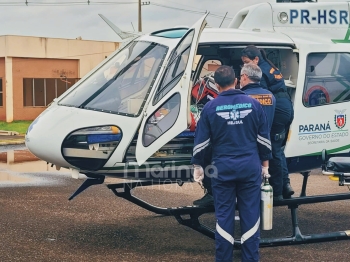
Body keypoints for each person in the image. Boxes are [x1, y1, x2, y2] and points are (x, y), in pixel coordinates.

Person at [191, 65, 271, 262]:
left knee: (224, 217)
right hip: (250, 168)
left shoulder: (210, 108)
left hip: (222, 169)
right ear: (236, 81)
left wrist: (198, 166)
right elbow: (264, 140)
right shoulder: (253, 105)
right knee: (251, 217)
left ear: (217, 85)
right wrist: (265, 166)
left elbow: (201, 142)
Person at [241, 45, 294, 200]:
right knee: (278, 149)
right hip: (285, 106)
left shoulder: (261, 72)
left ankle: (276, 192)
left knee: (272, 150)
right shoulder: (269, 66)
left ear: (255, 59)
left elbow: (258, 95)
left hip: (278, 109)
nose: (245, 66)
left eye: (246, 62)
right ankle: (285, 185)